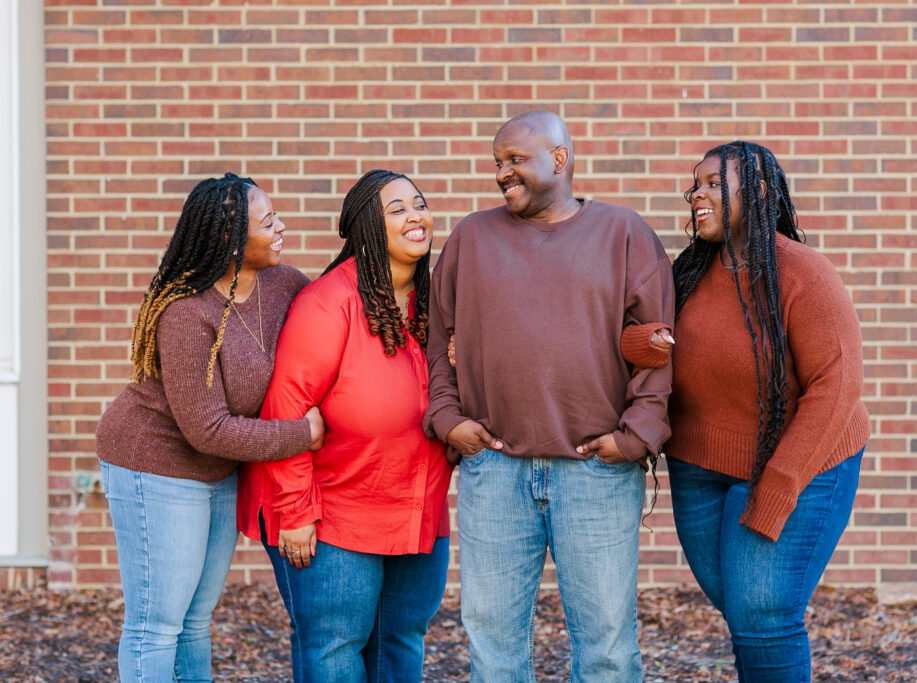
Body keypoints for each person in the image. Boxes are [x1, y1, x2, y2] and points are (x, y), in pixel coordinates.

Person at [424, 111, 674, 682]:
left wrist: (635, 438)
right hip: (496, 470)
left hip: (596, 473)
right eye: (497, 163)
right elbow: (438, 341)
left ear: (559, 158)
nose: (502, 173)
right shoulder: (472, 237)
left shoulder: (625, 234)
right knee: (491, 639)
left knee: (607, 641)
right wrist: (446, 418)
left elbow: (658, 348)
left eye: (515, 160)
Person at [621, 141, 871, 682]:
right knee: (743, 609)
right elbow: (638, 343)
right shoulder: (687, 272)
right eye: (696, 185)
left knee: (764, 613)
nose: (697, 195)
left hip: (800, 464)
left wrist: (778, 488)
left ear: (756, 192)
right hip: (699, 470)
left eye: (714, 183)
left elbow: (837, 386)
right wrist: (648, 342)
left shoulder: (803, 273)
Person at [95, 173, 326, 682]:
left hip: (220, 471)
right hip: (155, 463)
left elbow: (338, 314)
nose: (281, 226)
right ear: (230, 241)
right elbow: (208, 429)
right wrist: (301, 435)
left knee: (196, 621)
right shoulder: (185, 311)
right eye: (268, 222)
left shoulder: (283, 283)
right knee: (157, 624)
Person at [237, 169, 454, 683]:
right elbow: (288, 409)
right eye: (395, 209)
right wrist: (294, 512)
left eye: (418, 204)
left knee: (401, 642)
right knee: (334, 646)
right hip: (331, 510)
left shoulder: (437, 303)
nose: (415, 216)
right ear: (367, 230)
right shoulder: (329, 303)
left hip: (417, 507)